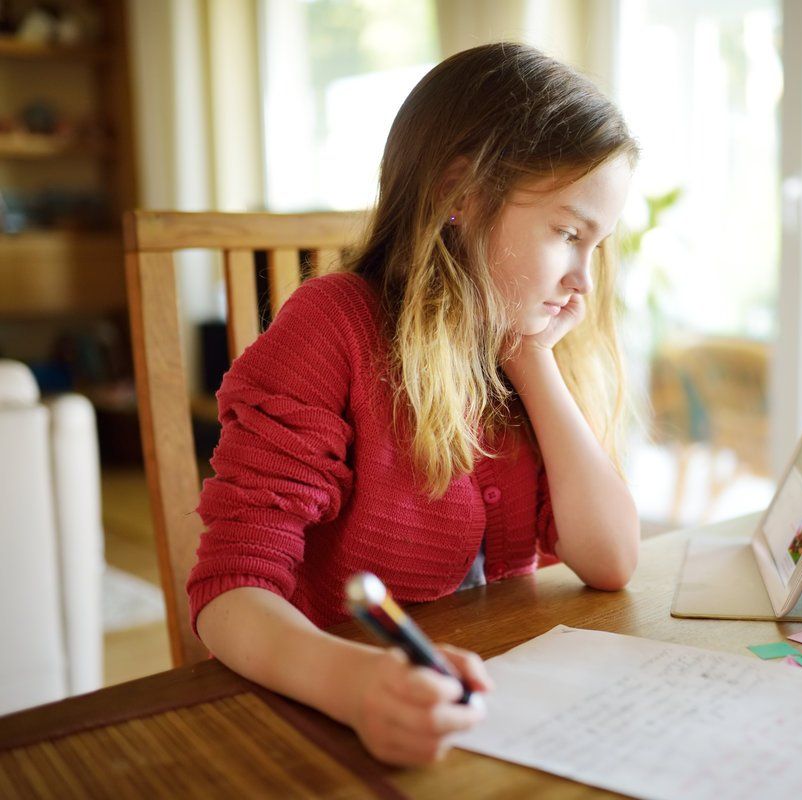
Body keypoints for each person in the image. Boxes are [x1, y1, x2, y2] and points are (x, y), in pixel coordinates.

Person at [187, 42, 640, 767]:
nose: (584, 280)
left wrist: (533, 358)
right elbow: (230, 591)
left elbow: (611, 559)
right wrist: (356, 682)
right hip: (333, 718)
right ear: (459, 194)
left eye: (598, 245)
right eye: (567, 234)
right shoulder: (331, 328)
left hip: (491, 712)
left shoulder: (519, 351)